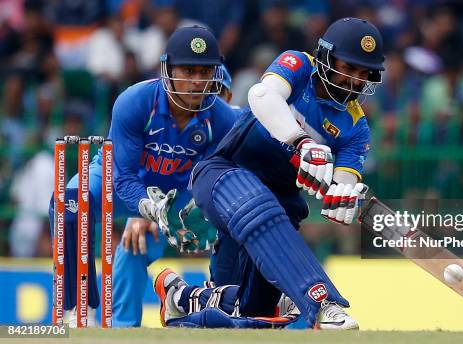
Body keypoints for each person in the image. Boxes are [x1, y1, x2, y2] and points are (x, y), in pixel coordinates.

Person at [152, 17, 386, 330]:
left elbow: (342, 184)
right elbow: (261, 96)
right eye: (349, 66)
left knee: (244, 316)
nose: (354, 79)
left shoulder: (356, 129)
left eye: (362, 73)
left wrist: (342, 197)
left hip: (280, 209)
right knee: (259, 203)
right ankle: (323, 303)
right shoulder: (300, 65)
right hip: (224, 175)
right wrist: (302, 142)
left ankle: (182, 299)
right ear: (327, 56)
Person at [48, 25, 237, 327]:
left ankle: (124, 331)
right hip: (116, 178)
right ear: (167, 69)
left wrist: (169, 215)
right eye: (188, 71)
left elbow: (205, 182)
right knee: (69, 203)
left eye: (205, 72)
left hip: (174, 199)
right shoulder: (135, 101)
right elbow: (122, 177)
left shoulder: (224, 119)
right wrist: (144, 209)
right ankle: (76, 308)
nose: (197, 82)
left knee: (135, 246)